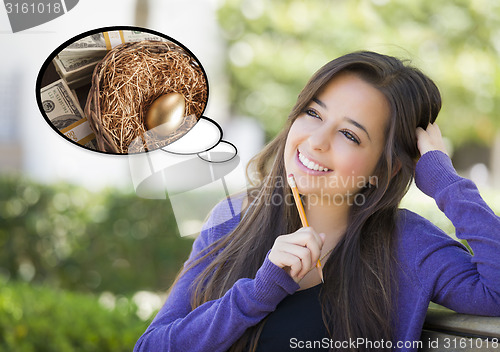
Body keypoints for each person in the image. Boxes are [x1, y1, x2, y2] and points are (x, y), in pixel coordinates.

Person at [134, 51, 500, 352]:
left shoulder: (408, 244)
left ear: (387, 169)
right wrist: (258, 293)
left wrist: (445, 182)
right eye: (313, 113)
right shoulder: (233, 217)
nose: (316, 141)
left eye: (349, 134)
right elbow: (151, 347)